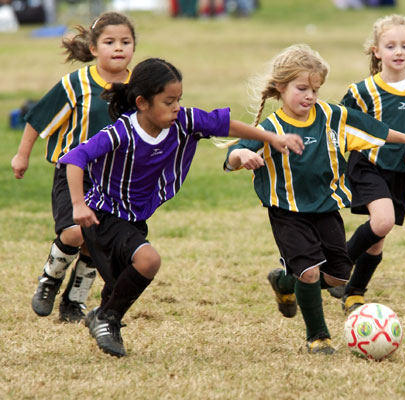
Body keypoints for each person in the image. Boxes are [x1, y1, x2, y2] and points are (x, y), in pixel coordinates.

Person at [58, 57, 304, 357]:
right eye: (168, 101)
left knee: (120, 282)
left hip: (135, 218)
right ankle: (107, 318)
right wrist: (78, 204)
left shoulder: (183, 121)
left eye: (179, 100)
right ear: (142, 103)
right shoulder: (121, 132)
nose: (176, 107)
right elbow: (74, 159)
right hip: (103, 215)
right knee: (148, 261)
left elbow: (224, 125)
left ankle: (102, 313)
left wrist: (270, 137)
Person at [224, 44, 405, 355]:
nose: (309, 96)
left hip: (326, 208)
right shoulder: (271, 128)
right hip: (288, 212)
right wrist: (243, 156)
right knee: (309, 272)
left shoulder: (332, 116)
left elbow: (372, 128)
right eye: (302, 88)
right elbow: (233, 155)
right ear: (281, 87)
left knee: (336, 277)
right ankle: (318, 337)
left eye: (315, 90)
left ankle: (284, 283)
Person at [11, 12, 136, 323]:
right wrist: (22, 156)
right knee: (75, 232)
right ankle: (50, 278)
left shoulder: (139, 87)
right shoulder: (75, 83)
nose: (118, 48)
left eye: (125, 42)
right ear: (93, 48)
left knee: (96, 240)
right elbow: (38, 119)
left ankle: (74, 302)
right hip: (74, 173)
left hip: (114, 179)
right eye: (110, 42)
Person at [327, 14, 405, 313]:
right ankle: (336, 268)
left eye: (404, 46)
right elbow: (339, 123)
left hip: (397, 170)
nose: (398, 52)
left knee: (377, 238)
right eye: (390, 46)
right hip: (367, 164)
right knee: (383, 221)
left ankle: (353, 293)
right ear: (376, 51)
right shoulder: (362, 91)